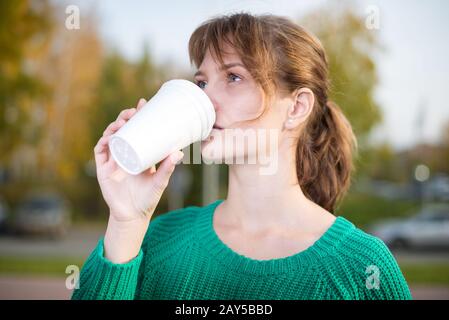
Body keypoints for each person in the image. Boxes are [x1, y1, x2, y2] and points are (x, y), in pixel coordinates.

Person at [72, 13, 412, 300]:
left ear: (296, 107)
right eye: (202, 82)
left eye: (234, 77)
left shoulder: (361, 268)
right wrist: (125, 222)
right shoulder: (157, 240)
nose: (206, 100)